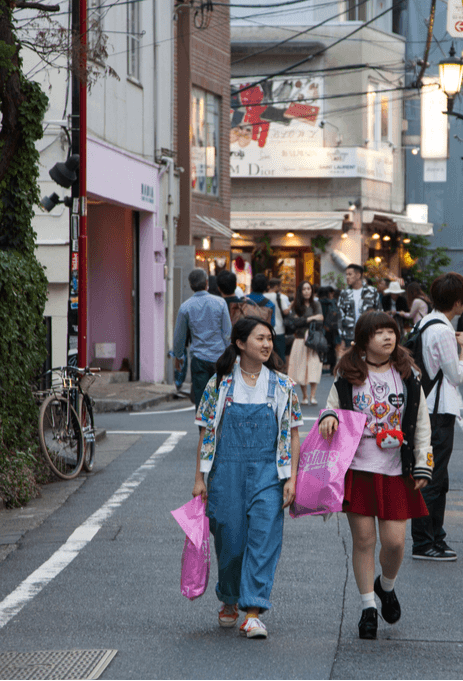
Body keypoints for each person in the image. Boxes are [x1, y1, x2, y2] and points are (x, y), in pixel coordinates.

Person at [316, 311, 432, 640]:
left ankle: (386, 586)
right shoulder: (349, 374)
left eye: (391, 332)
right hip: (359, 469)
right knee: (364, 541)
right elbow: (331, 406)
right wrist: (328, 417)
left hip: (397, 470)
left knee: (395, 543)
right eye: (379, 332)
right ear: (364, 339)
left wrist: (423, 462)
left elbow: (421, 421)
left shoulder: (408, 375)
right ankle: (368, 607)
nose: (387, 337)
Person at [191, 317, 302, 639]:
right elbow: (206, 432)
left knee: (264, 540)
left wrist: (292, 478)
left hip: (269, 472)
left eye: (269, 338)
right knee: (231, 540)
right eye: (259, 338)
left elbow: (293, 435)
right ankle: (229, 597)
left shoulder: (284, 385)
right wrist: (200, 478)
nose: (267, 344)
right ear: (240, 343)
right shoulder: (219, 384)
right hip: (226, 471)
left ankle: (253, 610)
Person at [410, 272, 463, 561]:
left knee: (437, 477)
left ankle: (436, 536)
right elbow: (455, 376)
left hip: (428, 409)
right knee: (432, 479)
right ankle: (424, 542)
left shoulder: (425, 322)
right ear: (458, 302)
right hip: (437, 413)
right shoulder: (444, 331)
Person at [173, 269, 232, 410]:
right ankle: (218, 430)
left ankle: (203, 431)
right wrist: (229, 354)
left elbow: (179, 336)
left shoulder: (185, 307)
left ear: (191, 285)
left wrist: (179, 356)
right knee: (220, 400)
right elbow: (227, 333)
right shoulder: (220, 303)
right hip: (219, 358)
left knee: (202, 402)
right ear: (207, 283)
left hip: (199, 359)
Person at [287, 281, 324, 405]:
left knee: (314, 367)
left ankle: (313, 396)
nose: (307, 291)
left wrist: (303, 320)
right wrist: (311, 318)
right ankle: (305, 396)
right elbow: (294, 322)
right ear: (300, 291)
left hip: (314, 341)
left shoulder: (316, 304)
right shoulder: (296, 306)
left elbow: (321, 319)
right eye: (304, 289)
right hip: (300, 340)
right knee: (301, 368)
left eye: (309, 288)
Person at [339, 264, 381, 347]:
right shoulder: (344, 293)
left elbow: (379, 312)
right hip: (349, 335)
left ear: (358, 275)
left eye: (350, 274)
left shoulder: (372, 291)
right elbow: (340, 316)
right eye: (346, 274)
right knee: (352, 359)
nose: (347, 277)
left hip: (368, 333)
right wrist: (341, 338)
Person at [265, 278, 291, 364]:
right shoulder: (280, 297)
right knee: (280, 354)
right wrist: (292, 304)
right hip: (279, 329)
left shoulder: (263, 296)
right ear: (276, 286)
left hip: (266, 329)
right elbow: (286, 311)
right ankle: (280, 372)